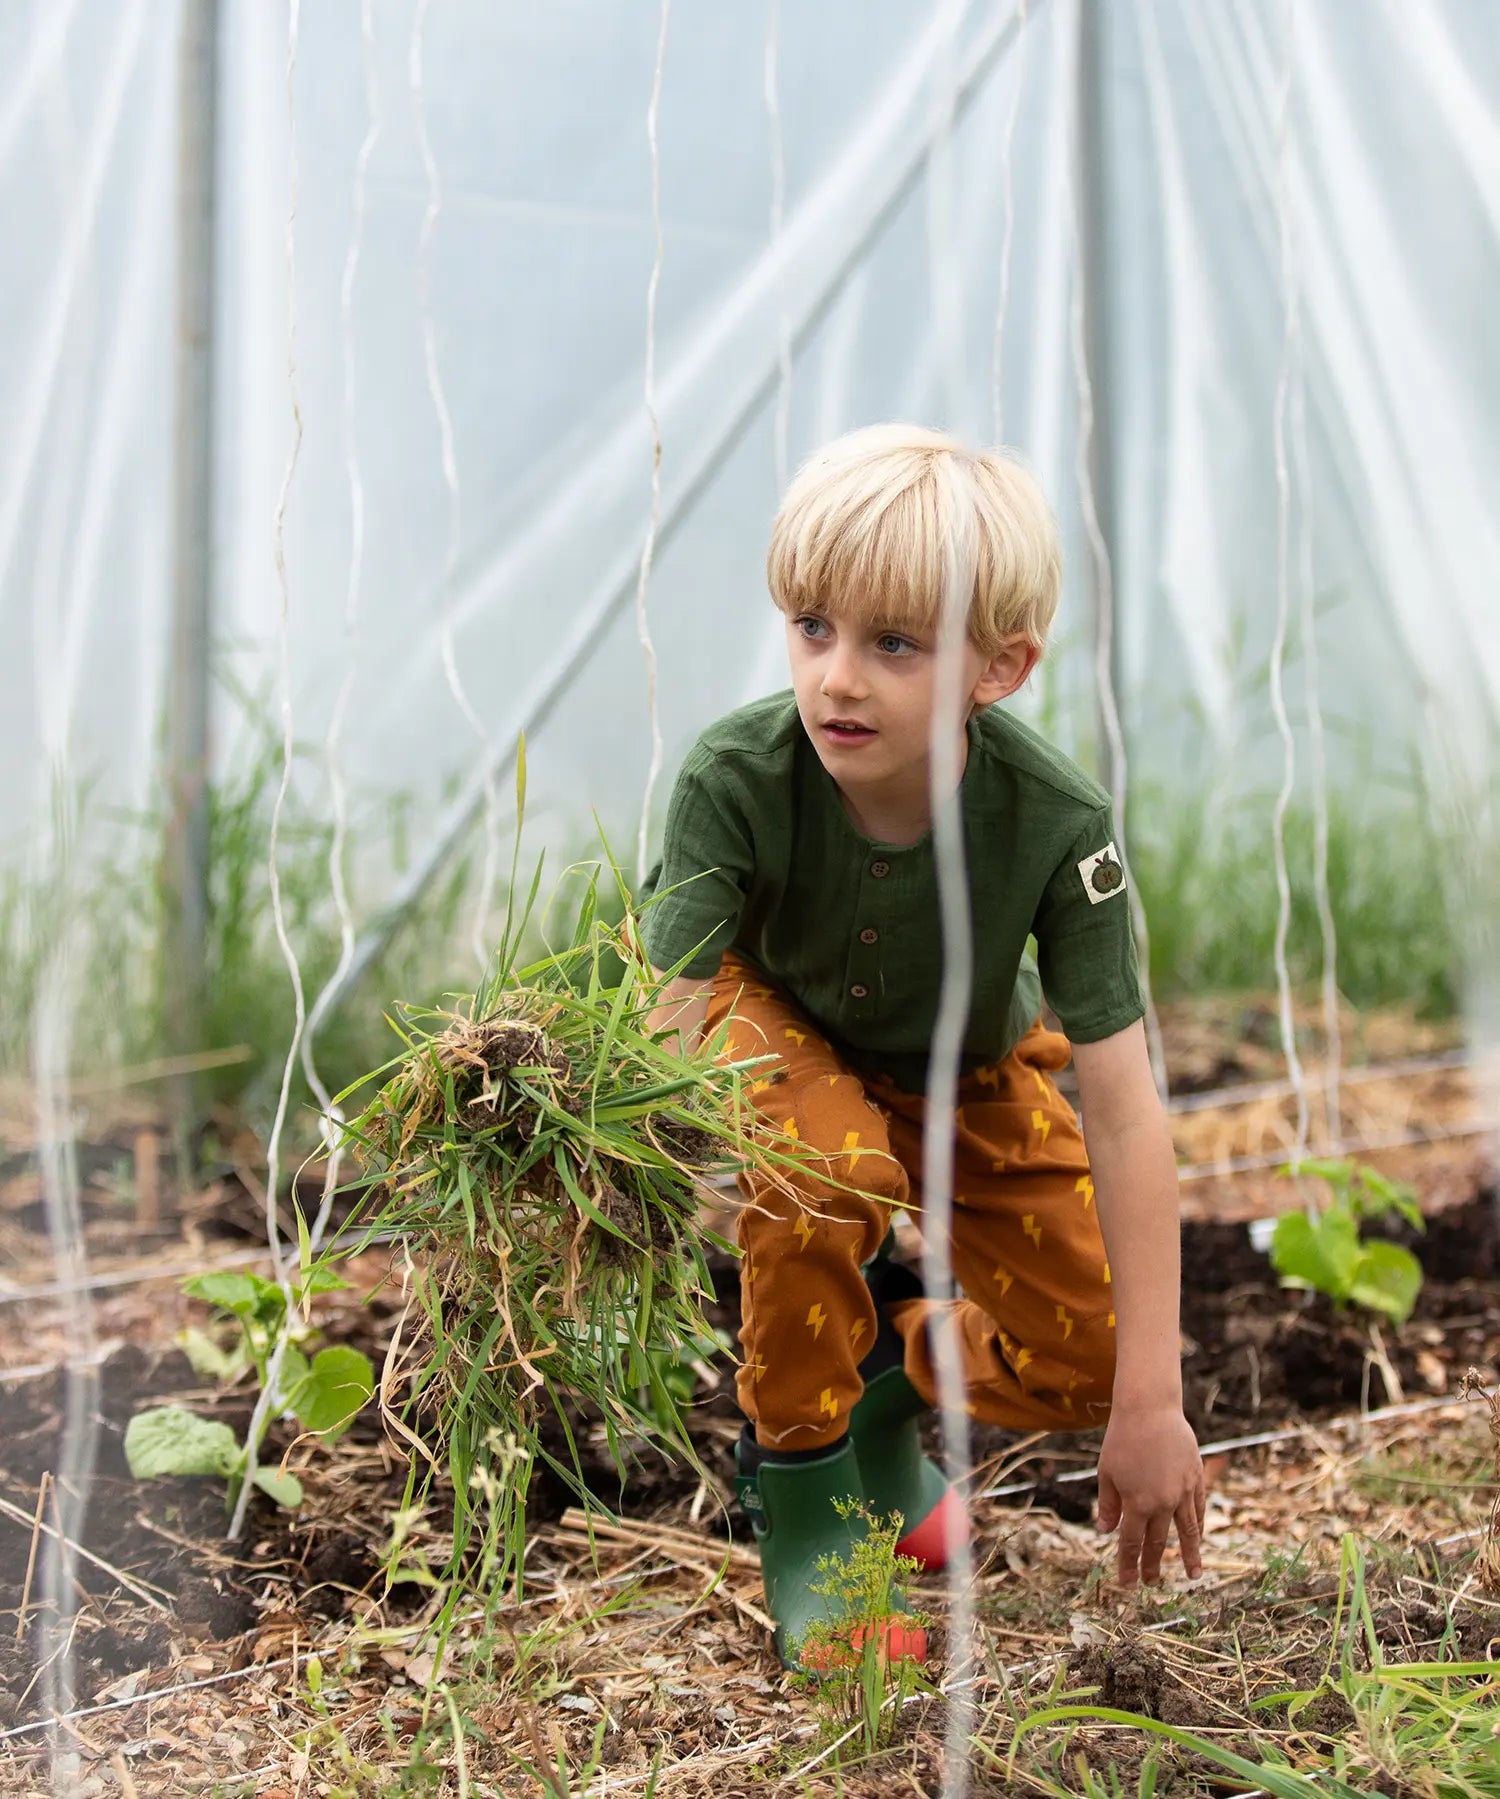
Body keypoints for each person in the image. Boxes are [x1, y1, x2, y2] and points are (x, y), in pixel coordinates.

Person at [637, 424, 1204, 1669]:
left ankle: (883, 1381)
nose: (838, 677)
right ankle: (810, 1508)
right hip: (765, 1018)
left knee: (1099, 1351)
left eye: (894, 642)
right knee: (825, 1162)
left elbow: (1120, 1103)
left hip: (966, 1063)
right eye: (812, 626)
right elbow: (667, 1008)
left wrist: (1151, 1401)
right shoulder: (736, 776)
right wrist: (680, 1159)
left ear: (998, 668)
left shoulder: (1058, 822)